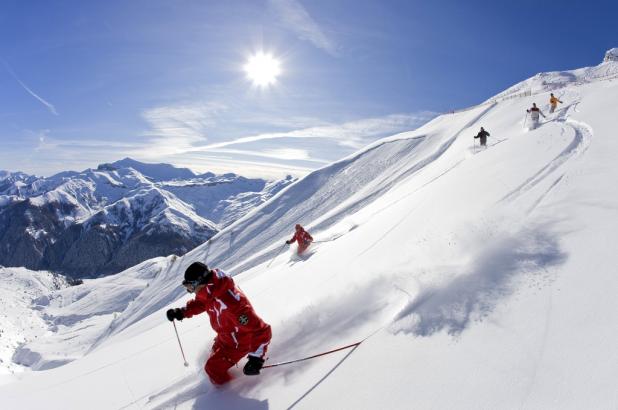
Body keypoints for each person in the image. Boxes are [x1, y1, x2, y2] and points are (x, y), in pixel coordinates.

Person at [166, 262, 272, 385]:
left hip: (240, 342)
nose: (190, 291)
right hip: (226, 336)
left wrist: (256, 359)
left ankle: (227, 396)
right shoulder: (211, 290)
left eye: (191, 287)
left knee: (212, 369)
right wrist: (182, 312)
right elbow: (202, 303)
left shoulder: (231, 302)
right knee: (211, 356)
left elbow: (262, 330)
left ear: (200, 282)